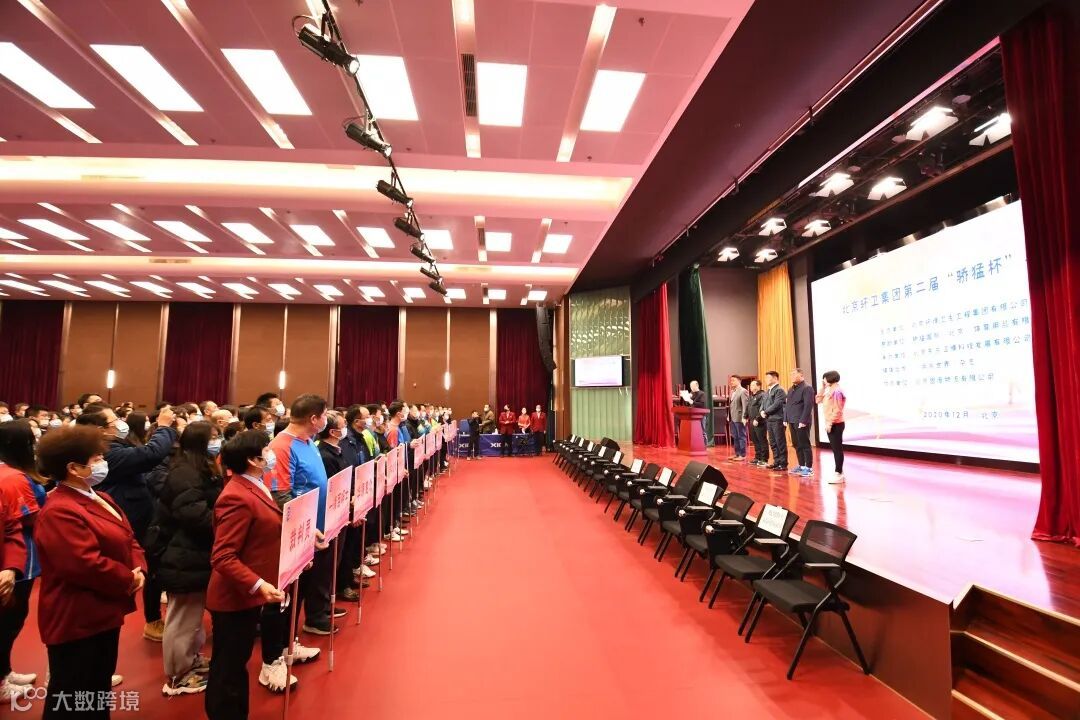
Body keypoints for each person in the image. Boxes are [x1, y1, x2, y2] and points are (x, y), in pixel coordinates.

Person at [34, 425, 145, 720]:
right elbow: (83, 564)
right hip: (77, 616)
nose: (103, 463)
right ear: (73, 468)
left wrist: (139, 567)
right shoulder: (60, 509)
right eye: (96, 459)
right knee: (73, 694)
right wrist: (129, 578)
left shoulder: (100, 497)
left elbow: (129, 538)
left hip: (103, 611)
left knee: (96, 688)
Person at [205, 431, 308, 719]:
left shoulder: (256, 485)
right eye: (265, 449)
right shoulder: (235, 496)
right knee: (229, 668)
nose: (270, 453)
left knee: (237, 664)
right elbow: (223, 556)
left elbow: (265, 533)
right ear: (253, 460)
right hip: (234, 597)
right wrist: (258, 584)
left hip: (249, 595)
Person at [77, 404, 179, 642]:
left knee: (149, 567)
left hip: (135, 515)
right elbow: (151, 454)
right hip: (128, 518)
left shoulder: (114, 446)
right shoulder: (106, 453)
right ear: (100, 430)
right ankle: (151, 620)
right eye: (113, 422)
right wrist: (164, 427)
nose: (119, 424)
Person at [152, 421, 223, 696]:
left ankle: (190, 659)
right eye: (213, 437)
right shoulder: (184, 472)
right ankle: (177, 675)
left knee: (192, 618)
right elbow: (194, 514)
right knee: (182, 618)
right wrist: (226, 523)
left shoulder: (202, 466)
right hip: (182, 554)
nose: (218, 441)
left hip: (195, 552)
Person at [266, 394, 340, 635]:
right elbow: (280, 495)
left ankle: (314, 618)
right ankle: (284, 643)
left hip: (319, 524)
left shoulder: (309, 441)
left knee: (315, 578)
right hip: (300, 530)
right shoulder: (281, 446)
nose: (327, 419)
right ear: (314, 418)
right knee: (294, 588)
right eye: (325, 415)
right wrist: (305, 527)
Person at [0, 420, 42, 701]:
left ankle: (4, 670)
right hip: (17, 559)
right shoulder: (13, 477)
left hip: (17, 556)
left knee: (11, 621)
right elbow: (27, 518)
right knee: (8, 622)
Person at [785, 368, 816, 477]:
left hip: (801, 421)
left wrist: (803, 420)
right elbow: (788, 405)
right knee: (796, 444)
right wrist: (785, 418)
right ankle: (802, 466)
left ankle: (809, 468)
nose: (792, 376)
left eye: (794, 374)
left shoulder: (807, 388)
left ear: (801, 375)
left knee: (805, 444)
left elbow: (808, 406)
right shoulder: (790, 389)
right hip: (792, 420)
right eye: (791, 374)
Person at [818, 370, 847, 484]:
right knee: (835, 449)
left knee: (837, 449)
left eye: (824, 378)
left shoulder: (837, 391)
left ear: (830, 378)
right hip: (831, 422)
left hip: (836, 423)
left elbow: (837, 409)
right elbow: (817, 400)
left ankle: (838, 473)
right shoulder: (829, 390)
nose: (823, 380)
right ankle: (840, 473)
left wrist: (830, 423)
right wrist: (822, 388)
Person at [760, 371, 788, 471]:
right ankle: (777, 462)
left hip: (777, 419)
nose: (766, 380)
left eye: (768, 378)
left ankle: (783, 463)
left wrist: (765, 412)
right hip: (769, 420)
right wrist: (761, 411)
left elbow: (777, 404)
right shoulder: (767, 391)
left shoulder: (779, 390)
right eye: (766, 378)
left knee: (780, 442)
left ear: (775, 378)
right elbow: (763, 404)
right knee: (772, 442)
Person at [745, 380, 769, 466]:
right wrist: (745, 416)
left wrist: (757, 419)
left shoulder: (762, 395)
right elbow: (748, 407)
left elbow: (762, 408)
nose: (750, 387)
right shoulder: (751, 396)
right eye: (750, 385)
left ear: (758, 386)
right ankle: (757, 457)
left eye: (752, 385)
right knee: (755, 440)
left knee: (761, 440)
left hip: (759, 421)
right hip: (751, 421)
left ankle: (764, 459)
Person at [727, 376, 748, 462]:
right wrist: (729, 415)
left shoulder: (743, 391)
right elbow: (731, 405)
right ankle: (737, 453)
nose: (731, 382)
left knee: (741, 436)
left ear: (739, 381)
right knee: (735, 436)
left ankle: (742, 455)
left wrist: (744, 417)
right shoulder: (732, 391)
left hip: (739, 417)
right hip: (733, 417)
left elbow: (745, 405)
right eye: (731, 380)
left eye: (733, 380)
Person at [689, 380, 709, 446]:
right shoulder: (691, 393)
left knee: (702, 430)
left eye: (692, 386)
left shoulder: (702, 394)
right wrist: (687, 398)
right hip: (693, 415)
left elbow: (702, 404)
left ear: (697, 386)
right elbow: (690, 403)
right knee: (695, 431)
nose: (691, 388)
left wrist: (693, 402)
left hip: (701, 415)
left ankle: (705, 445)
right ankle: (696, 444)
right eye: (690, 386)